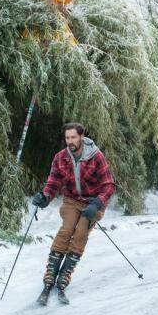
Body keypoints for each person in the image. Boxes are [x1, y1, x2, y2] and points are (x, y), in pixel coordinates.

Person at [32, 122, 116, 305]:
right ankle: (50, 273)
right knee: (67, 229)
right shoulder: (61, 157)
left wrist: (98, 202)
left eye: (73, 137)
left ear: (82, 137)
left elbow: (109, 185)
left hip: (92, 204)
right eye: (67, 138)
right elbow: (53, 182)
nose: (70, 141)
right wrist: (45, 197)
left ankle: (65, 274)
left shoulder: (96, 156)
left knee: (80, 233)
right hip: (71, 200)